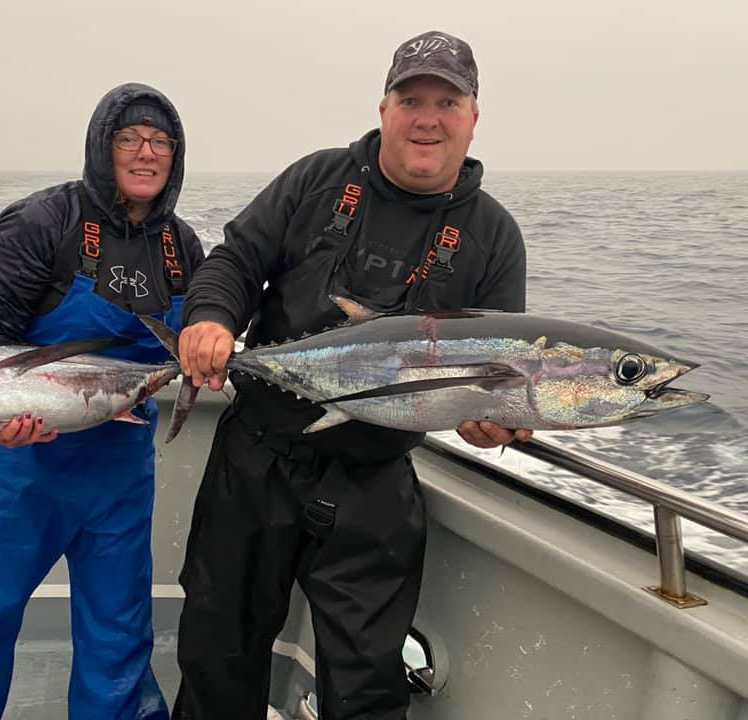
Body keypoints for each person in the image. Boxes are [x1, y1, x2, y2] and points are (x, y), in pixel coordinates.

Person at [171, 31, 531, 720]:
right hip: (257, 459)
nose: (427, 117)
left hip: (374, 480)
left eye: (446, 101)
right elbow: (235, 261)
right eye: (411, 99)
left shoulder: (493, 235)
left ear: (473, 117)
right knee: (219, 652)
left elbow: (495, 379)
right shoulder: (316, 180)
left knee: (366, 685)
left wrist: (490, 425)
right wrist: (213, 317)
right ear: (384, 108)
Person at [0, 83, 205, 719]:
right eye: (129, 139)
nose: (146, 153)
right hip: (12, 468)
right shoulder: (41, 221)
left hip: (118, 472)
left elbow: (187, 344)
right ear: (102, 146)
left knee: (118, 640)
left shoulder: (182, 247)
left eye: (161, 142)